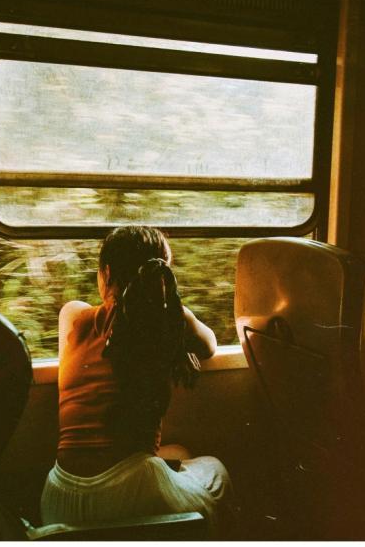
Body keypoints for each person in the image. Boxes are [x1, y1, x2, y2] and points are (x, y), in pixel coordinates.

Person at [40, 225, 233, 536]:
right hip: (130, 491)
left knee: (179, 452)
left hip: (60, 495)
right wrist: (173, 329)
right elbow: (209, 345)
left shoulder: (74, 316)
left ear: (105, 272)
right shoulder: (169, 326)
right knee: (214, 469)